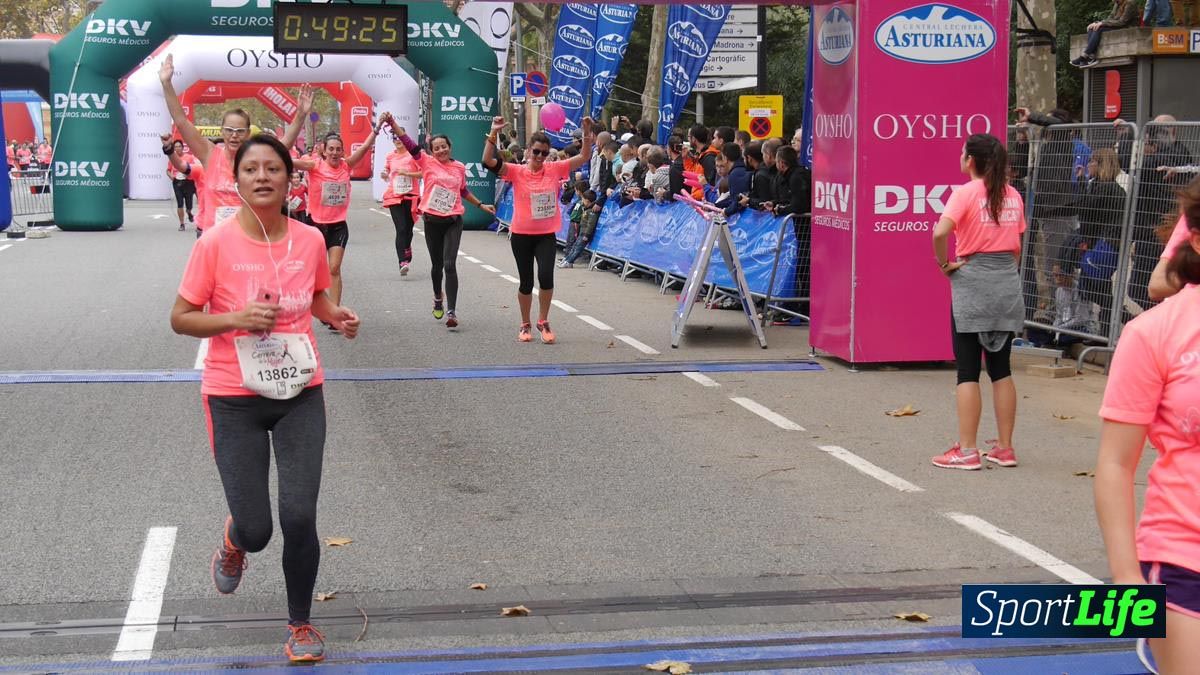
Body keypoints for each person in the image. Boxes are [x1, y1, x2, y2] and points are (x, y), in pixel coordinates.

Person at [169, 134, 360, 663]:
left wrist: (335, 316)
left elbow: (318, 296)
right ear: (238, 179)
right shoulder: (214, 244)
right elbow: (180, 317)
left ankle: (300, 624)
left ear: (288, 178)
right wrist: (234, 318)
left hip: (300, 390)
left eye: (272, 168)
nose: (262, 176)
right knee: (257, 529)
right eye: (250, 168)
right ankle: (235, 540)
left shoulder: (310, 240)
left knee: (300, 515)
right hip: (233, 398)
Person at [1095, 177, 1200, 675]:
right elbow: (1115, 465)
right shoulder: (1153, 333)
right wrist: (1126, 581)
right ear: (1195, 238)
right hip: (1184, 562)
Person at [931, 134, 1026, 471]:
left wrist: (944, 264)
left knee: (968, 370)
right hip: (1006, 282)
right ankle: (1005, 447)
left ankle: (968, 449)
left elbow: (940, 233)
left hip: (972, 279)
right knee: (1002, 369)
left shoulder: (965, 193)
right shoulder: (1012, 194)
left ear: (970, 160)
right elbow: (1016, 246)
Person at [160, 54, 310, 238]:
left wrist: (301, 115)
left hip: (247, 237)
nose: (234, 135)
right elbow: (181, 121)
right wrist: (167, 84)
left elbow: (283, 145)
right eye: (229, 130)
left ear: (247, 133)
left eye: (239, 131)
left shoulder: (254, 160)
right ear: (222, 131)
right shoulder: (210, 154)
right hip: (212, 237)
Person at [483, 115, 595, 343]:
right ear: (528, 151)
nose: (540, 157)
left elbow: (584, 156)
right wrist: (493, 132)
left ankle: (543, 320)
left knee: (546, 277)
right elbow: (487, 161)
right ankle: (525, 324)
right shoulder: (516, 171)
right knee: (526, 281)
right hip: (522, 235)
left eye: (544, 153)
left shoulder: (554, 169)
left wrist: (586, 133)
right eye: (536, 152)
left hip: (545, 235)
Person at [385, 115, 496, 330]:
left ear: (450, 147)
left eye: (444, 147)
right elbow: (408, 142)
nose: (441, 151)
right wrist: (392, 124)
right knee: (437, 266)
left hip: (453, 220)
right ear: (431, 151)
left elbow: (462, 190)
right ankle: (438, 297)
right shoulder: (425, 162)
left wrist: (481, 205)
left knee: (449, 264)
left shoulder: (460, 168)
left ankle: (452, 311)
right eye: (437, 148)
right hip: (432, 221)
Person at [293, 127, 379, 319]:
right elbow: (292, 162)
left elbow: (365, 147)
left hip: (338, 225)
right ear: (324, 150)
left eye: (338, 149)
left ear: (342, 151)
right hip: (315, 225)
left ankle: (334, 312)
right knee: (312, 270)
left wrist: (377, 128)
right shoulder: (314, 166)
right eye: (330, 149)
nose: (334, 153)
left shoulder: (346, 166)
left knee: (334, 268)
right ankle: (315, 304)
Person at [379, 129, 423, 276]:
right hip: (394, 196)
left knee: (408, 229)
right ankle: (402, 261)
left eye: (400, 137)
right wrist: (384, 174)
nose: (397, 140)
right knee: (401, 228)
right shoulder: (390, 156)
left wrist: (408, 173)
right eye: (394, 137)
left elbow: (423, 173)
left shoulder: (413, 155)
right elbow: (387, 171)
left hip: (411, 196)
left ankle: (407, 247)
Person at [1071, 0, 1138, 68]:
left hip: (1126, 28)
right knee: (1093, 28)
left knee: (1099, 29)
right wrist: (1097, 23)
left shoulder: (1130, 3)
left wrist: (1102, 24)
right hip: (1117, 27)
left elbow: (1122, 22)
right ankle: (1091, 56)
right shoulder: (1117, 4)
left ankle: (1085, 56)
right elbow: (1110, 18)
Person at [164, 138, 198, 231]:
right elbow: (167, 170)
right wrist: (172, 177)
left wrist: (188, 174)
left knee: (189, 205)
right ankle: (182, 224)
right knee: (180, 204)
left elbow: (194, 168)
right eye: (175, 147)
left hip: (188, 182)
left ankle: (189, 212)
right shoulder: (172, 158)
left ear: (183, 148)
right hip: (177, 182)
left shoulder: (189, 157)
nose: (177, 148)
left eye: (179, 146)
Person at [560, 190, 598, 268]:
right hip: (581, 232)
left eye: (583, 200)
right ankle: (567, 260)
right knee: (574, 246)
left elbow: (591, 224)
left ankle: (569, 261)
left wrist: (587, 235)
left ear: (587, 201)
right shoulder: (586, 209)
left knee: (578, 249)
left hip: (585, 234)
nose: (582, 201)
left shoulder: (591, 211)